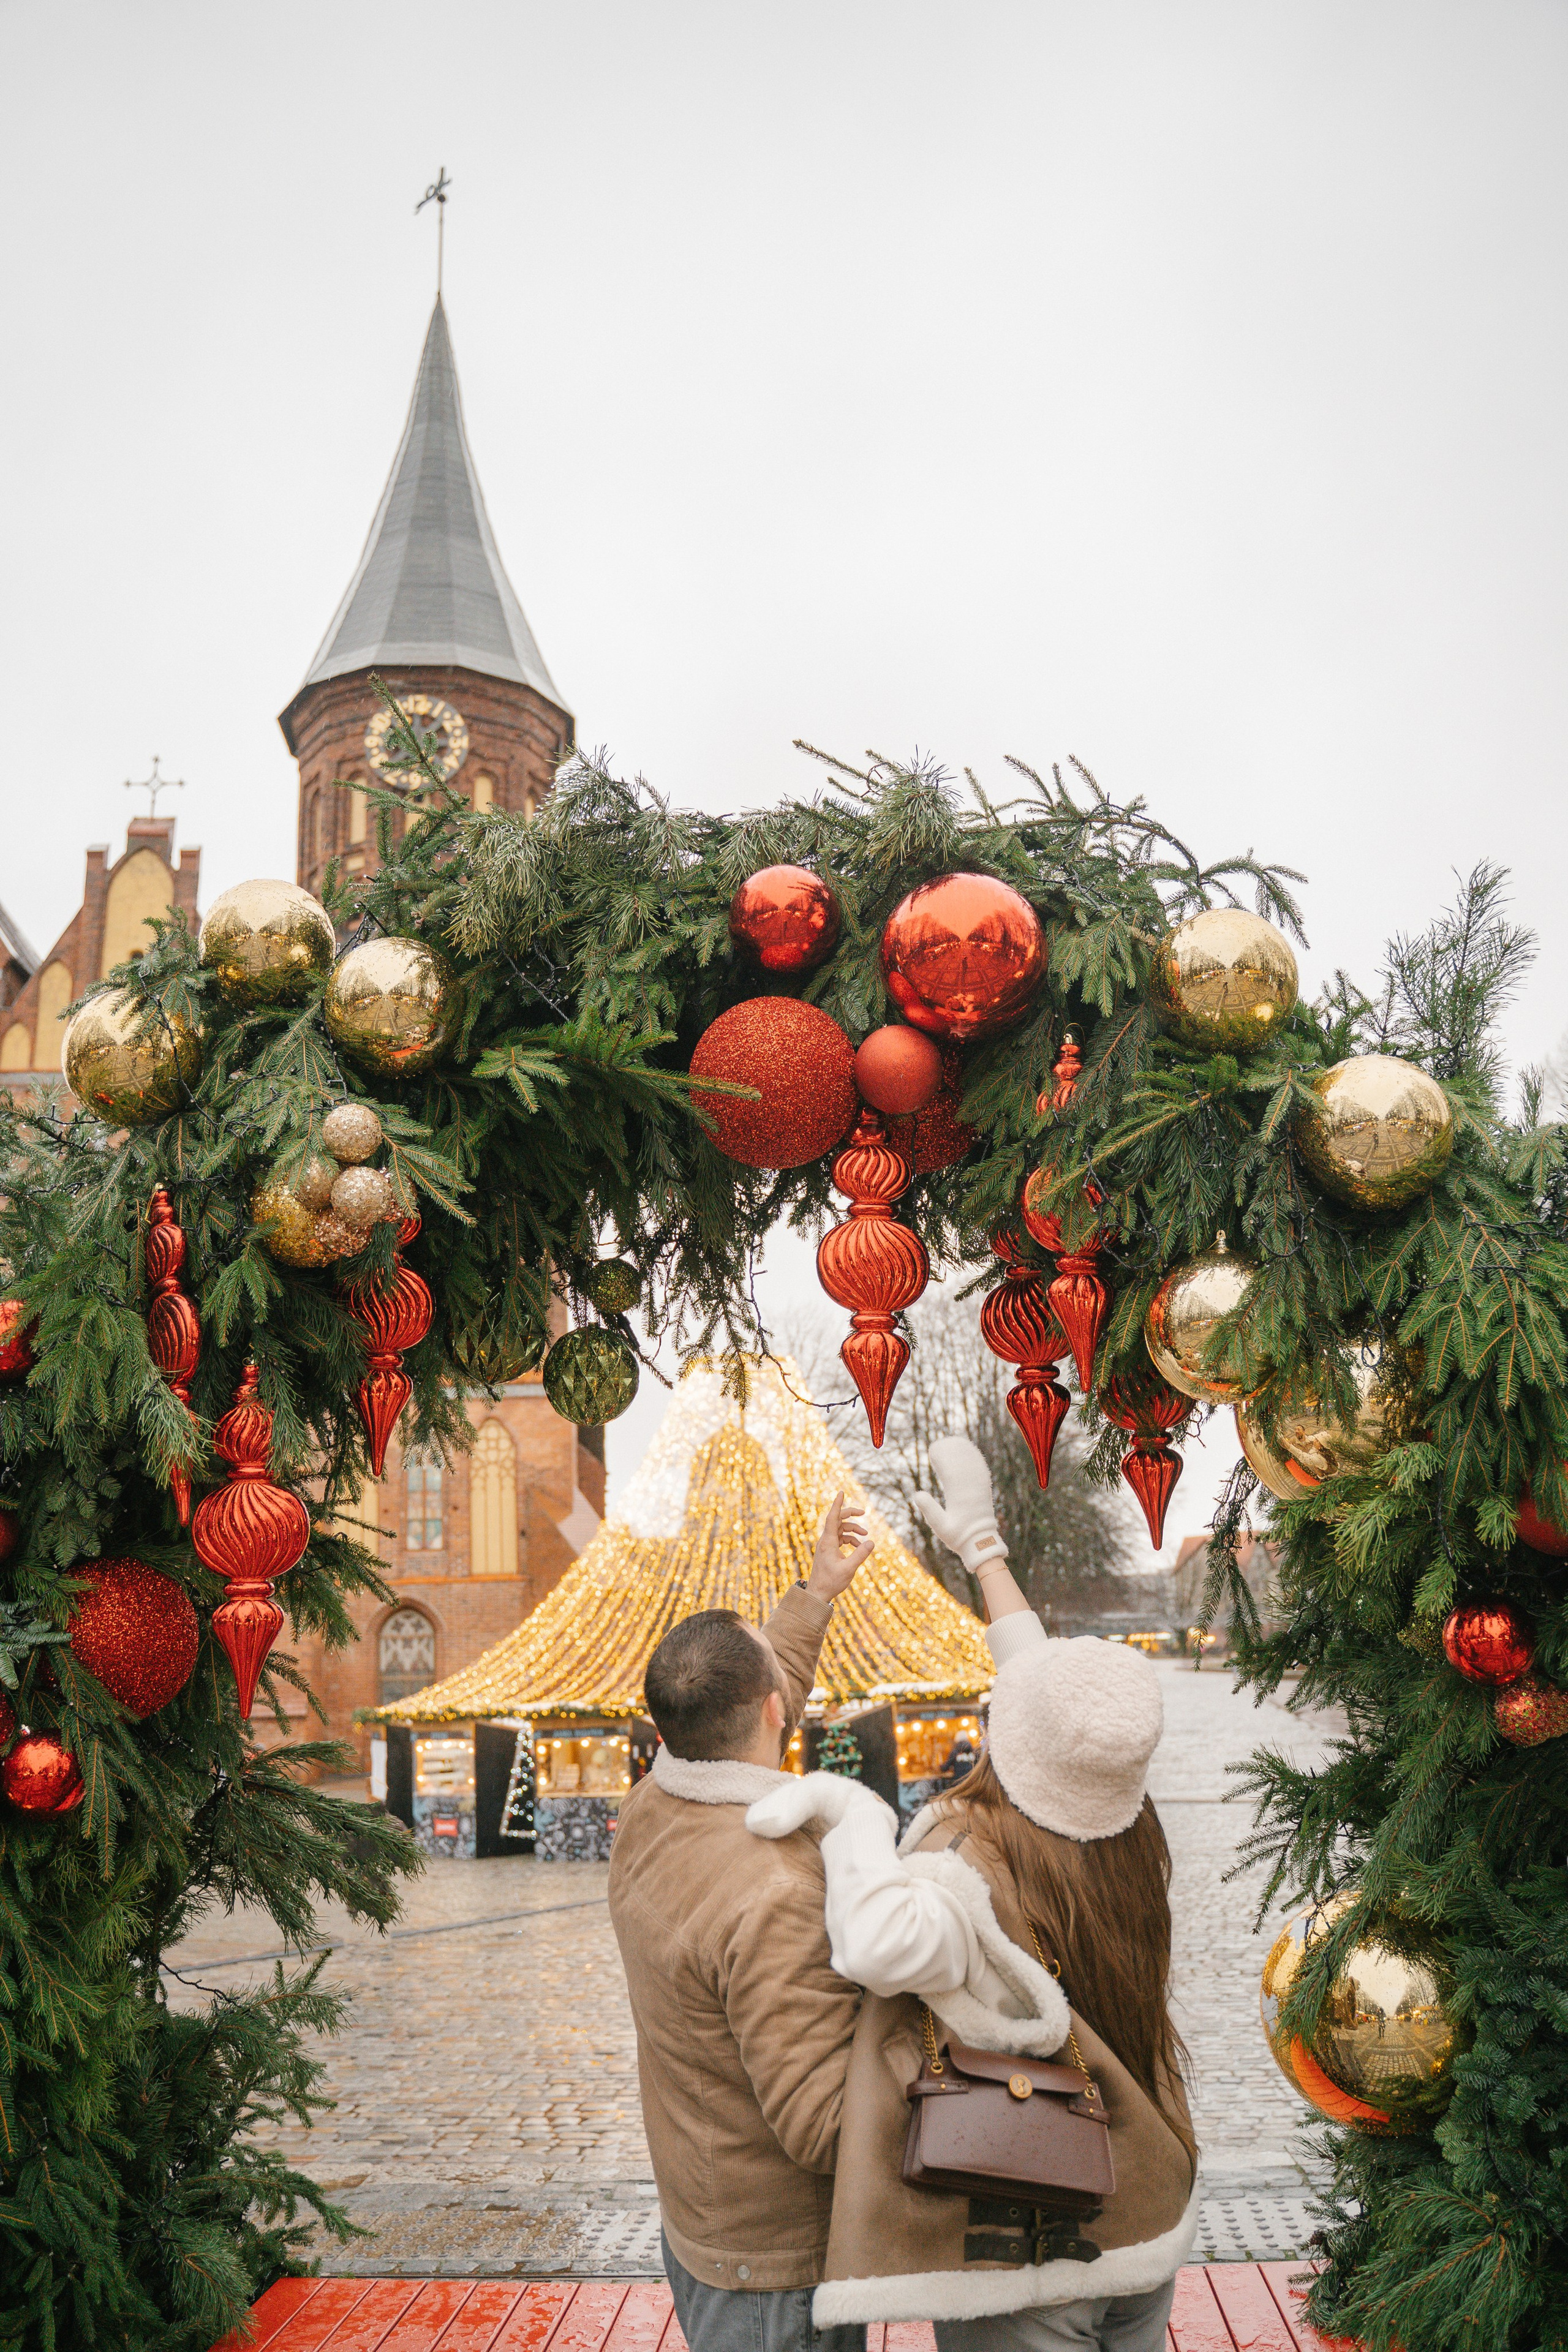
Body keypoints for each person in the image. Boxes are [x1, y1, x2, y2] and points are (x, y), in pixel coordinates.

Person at [747, 1438, 1197, 2352]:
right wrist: (983, 1548)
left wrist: (852, 1809)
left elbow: (875, 1944)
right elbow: (1053, 1698)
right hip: (1146, 2220)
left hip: (1038, 2253)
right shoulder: (1128, 1832)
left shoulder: (970, 1870)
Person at [608, 1490, 876, 2352]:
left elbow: (760, 1689)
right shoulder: (776, 1890)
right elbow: (823, 2123)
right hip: (776, 2276)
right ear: (773, 1712)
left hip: (703, 2220)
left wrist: (818, 1591)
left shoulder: (649, 1807)